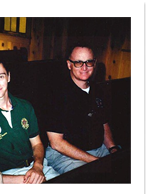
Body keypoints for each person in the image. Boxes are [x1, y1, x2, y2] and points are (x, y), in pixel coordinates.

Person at [0, 58, 60, 184]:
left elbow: (36, 144)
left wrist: (37, 166)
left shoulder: (25, 106)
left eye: (0, 77)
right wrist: (27, 181)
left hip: (37, 167)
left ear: (8, 77)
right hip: (7, 177)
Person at [45, 43, 121, 175]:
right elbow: (56, 143)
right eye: (78, 62)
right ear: (69, 64)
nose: (84, 67)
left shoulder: (98, 90)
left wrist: (112, 148)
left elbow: (104, 123)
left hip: (97, 149)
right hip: (64, 155)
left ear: (94, 63)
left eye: (88, 62)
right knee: (92, 177)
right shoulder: (56, 94)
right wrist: (96, 161)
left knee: (124, 166)